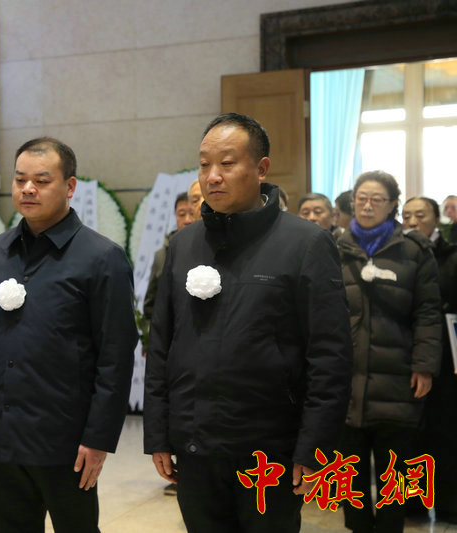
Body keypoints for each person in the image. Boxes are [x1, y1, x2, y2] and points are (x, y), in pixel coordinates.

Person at [144, 113, 353, 533]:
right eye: (204, 164)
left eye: (227, 163)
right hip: (196, 442)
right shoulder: (183, 244)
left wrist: (313, 448)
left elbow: (330, 355)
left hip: (270, 447)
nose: (212, 176)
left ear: (261, 168)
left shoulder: (305, 243)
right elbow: (162, 344)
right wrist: (158, 434)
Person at [0, 137, 137, 533]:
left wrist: (98, 438)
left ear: (69, 187)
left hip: (66, 442)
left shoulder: (101, 257)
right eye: (20, 179)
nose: (28, 189)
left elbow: (116, 355)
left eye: (41, 180)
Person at [336, 173, 441, 533]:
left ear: (393, 205)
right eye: (361, 198)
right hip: (345, 380)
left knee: (395, 471)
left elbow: (428, 313)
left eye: (377, 199)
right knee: (349, 474)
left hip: (397, 377)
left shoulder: (413, 250)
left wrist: (424, 365)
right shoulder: (333, 247)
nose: (367, 205)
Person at [402, 196, 457, 523]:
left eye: (420, 215)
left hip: (448, 357)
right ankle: (412, 503)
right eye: (406, 215)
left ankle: (449, 503)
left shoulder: (451, 256)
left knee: (446, 429)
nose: (412, 222)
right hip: (407, 355)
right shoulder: (399, 255)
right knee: (411, 432)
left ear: (436, 219)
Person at [142, 190, 196, 356]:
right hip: (170, 342)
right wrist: (149, 341)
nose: (187, 220)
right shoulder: (162, 255)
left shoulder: (209, 248)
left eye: (192, 213)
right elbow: (150, 305)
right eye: (181, 214)